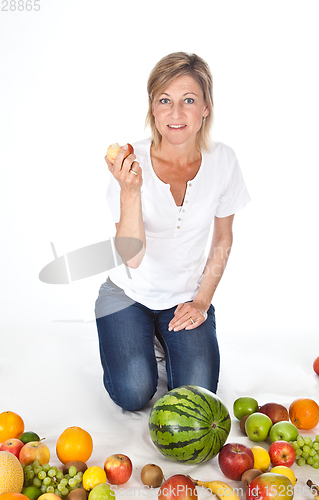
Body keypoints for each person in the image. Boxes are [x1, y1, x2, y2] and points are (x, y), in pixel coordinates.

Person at [95, 52, 250, 412]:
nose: (176, 114)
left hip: (184, 297)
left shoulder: (223, 161)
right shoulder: (130, 165)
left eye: (188, 100)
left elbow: (223, 238)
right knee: (134, 394)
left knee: (197, 398)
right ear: (152, 107)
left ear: (206, 108)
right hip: (128, 293)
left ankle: (163, 337)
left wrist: (201, 301)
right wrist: (130, 190)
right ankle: (132, 336)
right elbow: (131, 257)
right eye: (165, 100)